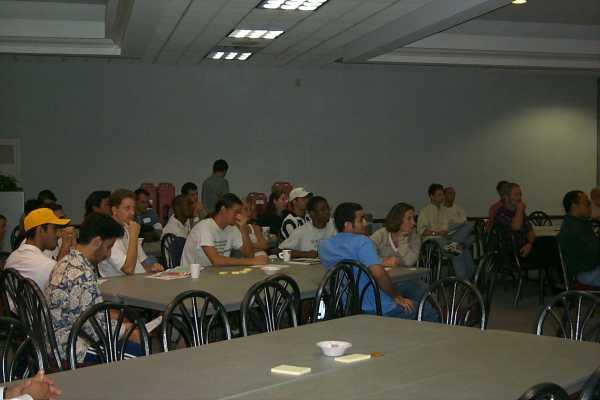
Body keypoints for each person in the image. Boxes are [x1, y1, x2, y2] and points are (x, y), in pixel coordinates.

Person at [46, 212, 144, 365]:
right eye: (109, 246)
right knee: (138, 342)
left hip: (57, 340)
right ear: (98, 242)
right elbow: (94, 331)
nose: (108, 253)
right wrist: (126, 329)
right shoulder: (82, 274)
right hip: (72, 348)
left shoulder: (67, 262)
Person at [319, 202, 438, 321]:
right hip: (377, 307)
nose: (365, 223)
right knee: (428, 311)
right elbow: (379, 274)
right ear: (348, 225)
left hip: (347, 307)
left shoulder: (324, 245)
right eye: (361, 220)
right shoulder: (363, 242)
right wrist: (397, 297)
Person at [181, 193, 268, 267]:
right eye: (236, 212)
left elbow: (249, 255)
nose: (239, 215)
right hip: (192, 275)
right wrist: (251, 261)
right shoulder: (205, 226)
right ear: (223, 209)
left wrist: (243, 230)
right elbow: (216, 260)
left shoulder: (231, 228)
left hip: (213, 274)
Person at [98, 189, 164, 277]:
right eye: (127, 208)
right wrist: (133, 235)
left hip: (133, 281)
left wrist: (151, 268)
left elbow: (140, 265)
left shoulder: (127, 228)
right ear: (114, 210)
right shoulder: (108, 233)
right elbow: (128, 269)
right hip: (116, 286)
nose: (132, 213)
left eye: (133, 208)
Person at [417, 184, 475, 280]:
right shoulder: (425, 211)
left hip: (447, 238)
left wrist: (455, 227)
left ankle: (469, 280)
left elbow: (450, 226)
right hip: (433, 242)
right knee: (459, 251)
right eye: (439, 195)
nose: (442, 197)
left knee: (469, 226)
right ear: (432, 196)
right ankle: (463, 282)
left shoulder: (444, 210)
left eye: (442, 195)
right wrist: (437, 233)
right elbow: (422, 231)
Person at [5, 208, 71, 290]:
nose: (58, 234)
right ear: (41, 230)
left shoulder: (11, 258)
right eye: (54, 229)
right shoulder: (48, 265)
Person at [558, 191, 600, 286]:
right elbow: (594, 252)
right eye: (587, 204)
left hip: (589, 269)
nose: (590, 207)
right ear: (574, 206)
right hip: (586, 273)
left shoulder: (576, 223)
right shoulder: (575, 227)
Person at [370, 203, 420, 267]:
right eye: (409, 218)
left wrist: (402, 241)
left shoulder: (415, 237)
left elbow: (409, 262)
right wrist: (383, 262)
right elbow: (365, 256)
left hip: (406, 276)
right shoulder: (380, 235)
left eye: (414, 218)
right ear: (397, 219)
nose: (414, 223)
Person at [494, 182, 536, 259]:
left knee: (549, 243)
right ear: (506, 197)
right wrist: (520, 209)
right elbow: (516, 227)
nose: (519, 198)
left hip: (524, 247)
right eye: (516, 195)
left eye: (520, 194)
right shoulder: (500, 213)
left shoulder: (520, 213)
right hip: (509, 253)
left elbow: (530, 231)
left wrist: (530, 244)